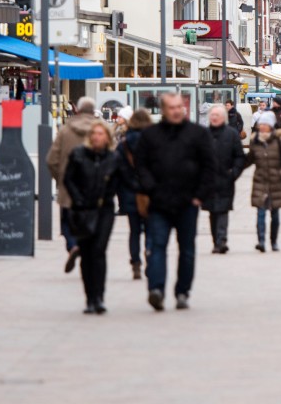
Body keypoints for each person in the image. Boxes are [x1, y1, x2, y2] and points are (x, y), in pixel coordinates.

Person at [136, 92, 217, 311]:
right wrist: (150, 188)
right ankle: (156, 290)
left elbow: (209, 166)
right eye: (171, 107)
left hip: (187, 202)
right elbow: (141, 165)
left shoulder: (197, 134)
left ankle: (182, 291)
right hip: (159, 202)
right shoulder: (150, 135)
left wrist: (200, 194)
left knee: (187, 249)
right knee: (157, 246)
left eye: (179, 106)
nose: (176, 110)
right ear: (163, 109)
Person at [63, 120, 121, 314]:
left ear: (107, 137)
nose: (97, 137)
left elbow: (121, 180)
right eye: (94, 133)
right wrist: (78, 200)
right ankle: (89, 298)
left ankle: (99, 297)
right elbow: (68, 179)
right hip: (82, 211)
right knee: (87, 254)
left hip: (104, 210)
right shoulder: (78, 155)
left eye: (101, 133)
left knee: (99, 251)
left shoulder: (113, 158)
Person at [46, 97, 97, 274]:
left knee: (67, 220)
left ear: (77, 110)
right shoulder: (100, 130)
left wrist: (60, 179)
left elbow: (51, 160)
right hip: (93, 188)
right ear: (93, 111)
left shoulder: (65, 131)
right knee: (91, 221)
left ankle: (73, 245)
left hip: (69, 186)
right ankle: (89, 249)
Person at [246, 111, 281, 252]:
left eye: (265, 124)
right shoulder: (256, 141)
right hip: (260, 181)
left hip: (276, 182)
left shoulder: (280, 141)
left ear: (271, 126)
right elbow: (249, 160)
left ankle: (273, 241)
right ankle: (261, 241)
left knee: (275, 214)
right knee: (260, 213)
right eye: (260, 124)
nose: (262, 127)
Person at [204, 105, 248, 254]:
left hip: (225, 179)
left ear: (223, 117)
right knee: (212, 212)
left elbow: (240, 157)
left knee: (223, 210)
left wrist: (233, 173)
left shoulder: (231, 134)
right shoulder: (204, 135)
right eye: (212, 115)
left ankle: (221, 240)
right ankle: (215, 239)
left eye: (217, 115)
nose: (214, 118)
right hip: (208, 181)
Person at [115, 108, 152, 280]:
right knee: (151, 230)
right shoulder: (154, 142)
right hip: (150, 193)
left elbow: (118, 169)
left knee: (134, 231)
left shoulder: (123, 144)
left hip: (130, 193)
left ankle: (135, 263)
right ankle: (151, 256)